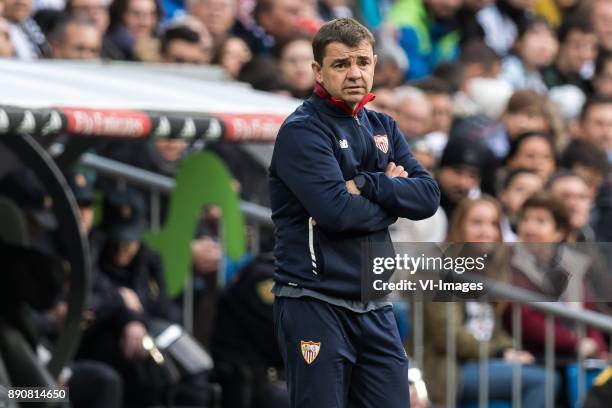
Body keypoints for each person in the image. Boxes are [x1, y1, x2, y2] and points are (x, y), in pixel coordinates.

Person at [268, 17, 440, 408]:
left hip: (375, 304)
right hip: (315, 302)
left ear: (375, 63)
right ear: (318, 70)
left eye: (362, 62)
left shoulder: (383, 125)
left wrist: (367, 184)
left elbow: (428, 197)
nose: (354, 73)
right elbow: (337, 213)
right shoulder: (303, 130)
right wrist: (393, 194)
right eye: (341, 64)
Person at [422, 195, 552, 407]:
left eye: (493, 224)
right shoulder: (438, 269)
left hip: (481, 361)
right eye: (477, 223)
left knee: (544, 372)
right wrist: (499, 352)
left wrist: (511, 349)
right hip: (448, 367)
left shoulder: (489, 270)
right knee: (543, 381)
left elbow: (494, 328)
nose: (486, 231)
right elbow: (447, 335)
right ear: (459, 226)